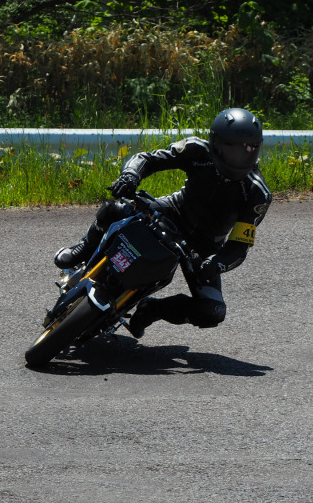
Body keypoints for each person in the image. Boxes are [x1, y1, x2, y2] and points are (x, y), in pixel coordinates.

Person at [53, 107, 273, 338]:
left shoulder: (258, 193)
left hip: (203, 247)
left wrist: (216, 264)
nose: (241, 158)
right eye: (233, 151)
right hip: (171, 212)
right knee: (115, 209)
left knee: (213, 311)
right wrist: (130, 175)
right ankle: (84, 248)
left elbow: (239, 245)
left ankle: (152, 309)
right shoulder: (197, 149)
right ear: (215, 142)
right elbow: (147, 159)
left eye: (249, 150)